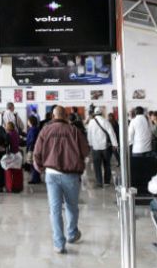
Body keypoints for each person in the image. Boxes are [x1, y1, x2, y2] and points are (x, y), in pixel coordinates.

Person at [32, 106, 90, 254]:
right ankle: (71, 234)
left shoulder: (45, 131)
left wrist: (41, 169)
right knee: (72, 206)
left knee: (55, 210)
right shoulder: (74, 131)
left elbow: (36, 153)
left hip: (51, 174)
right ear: (66, 116)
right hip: (71, 175)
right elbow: (86, 151)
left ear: (53, 116)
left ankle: (59, 244)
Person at [86, 110, 118, 188]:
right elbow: (111, 133)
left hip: (95, 147)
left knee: (97, 165)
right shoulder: (105, 121)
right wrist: (115, 144)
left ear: (95, 114)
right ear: (101, 113)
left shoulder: (91, 122)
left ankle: (99, 182)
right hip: (105, 147)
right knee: (107, 164)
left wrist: (90, 144)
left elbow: (89, 134)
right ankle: (107, 181)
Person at [25, 115, 41, 184]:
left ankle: (35, 179)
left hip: (32, 148)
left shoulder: (32, 129)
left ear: (30, 121)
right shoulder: (36, 128)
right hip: (35, 147)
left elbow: (32, 139)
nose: (27, 122)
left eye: (28, 121)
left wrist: (29, 147)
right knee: (35, 164)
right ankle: (37, 178)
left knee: (33, 164)